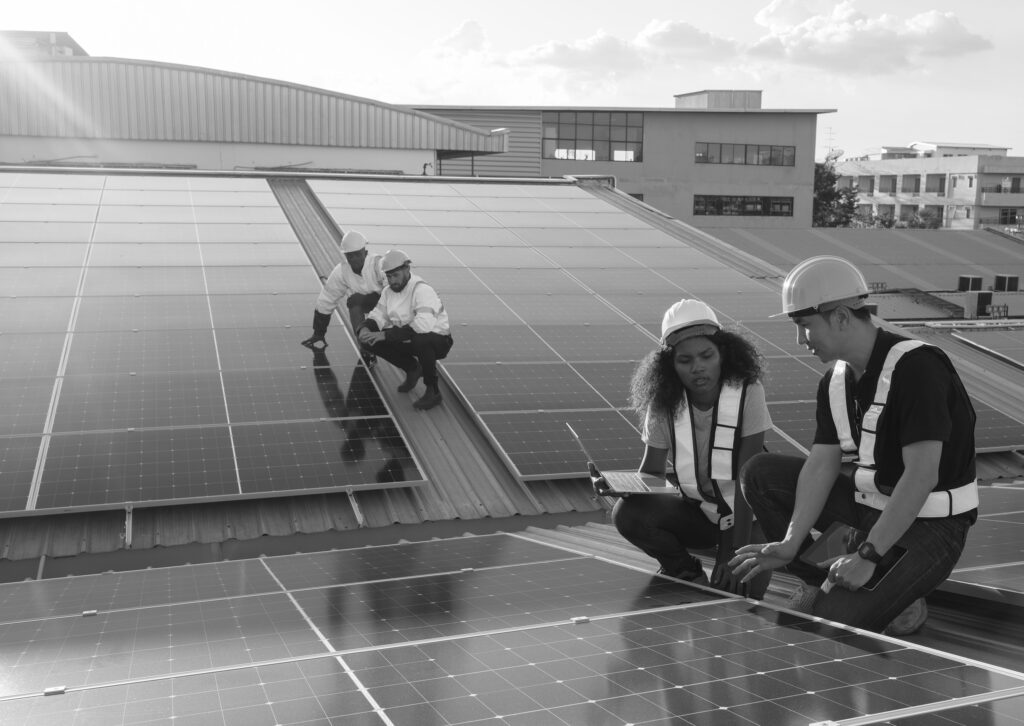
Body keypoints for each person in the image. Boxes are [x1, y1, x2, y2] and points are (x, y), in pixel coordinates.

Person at [730, 256, 978, 636]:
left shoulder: (918, 369)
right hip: (869, 515)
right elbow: (821, 465)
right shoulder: (835, 381)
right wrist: (790, 542)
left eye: (805, 326)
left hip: (931, 527)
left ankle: (899, 591)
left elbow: (922, 474)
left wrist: (868, 556)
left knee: (833, 624)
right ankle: (818, 577)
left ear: (842, 317)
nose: (800, 340)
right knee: (760, 474)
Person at [593, 299, 774, 597]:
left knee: (742, 591)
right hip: (700, 515)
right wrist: (619, 486)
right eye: (685, 360)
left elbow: (748, 481)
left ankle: (735, 561)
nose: (698, 368)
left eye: (706, 356)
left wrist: (734, 553)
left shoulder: (748, 391)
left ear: (723, 354)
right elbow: (651, 472)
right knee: (628, 514)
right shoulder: (664, 402)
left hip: (747, 516)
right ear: (670, 365)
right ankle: (685, 570)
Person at [356, 250, 453, 411]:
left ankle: (433, 392)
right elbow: (378, 315)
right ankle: (413, 369)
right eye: (389, 276)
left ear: (407, 269)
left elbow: (423, 326)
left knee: (421, 340)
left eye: (396, 275)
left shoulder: (421, 290)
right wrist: (365, 328)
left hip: (438, 340)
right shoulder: (388, 292)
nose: (392, 280)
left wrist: (385, 335)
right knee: (369, 341)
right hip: (407, 337)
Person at [301, 230, 385, 366]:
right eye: (350, 256)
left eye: (357, 254)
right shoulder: (342, 271)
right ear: (345, 255)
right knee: (354, 301)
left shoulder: (379, 265)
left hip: (392, 303)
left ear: (365, 251)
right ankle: (366, 349)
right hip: (370, 303)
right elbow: (327, 298)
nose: (354, 259)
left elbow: (397, 294)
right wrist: (319, 332)